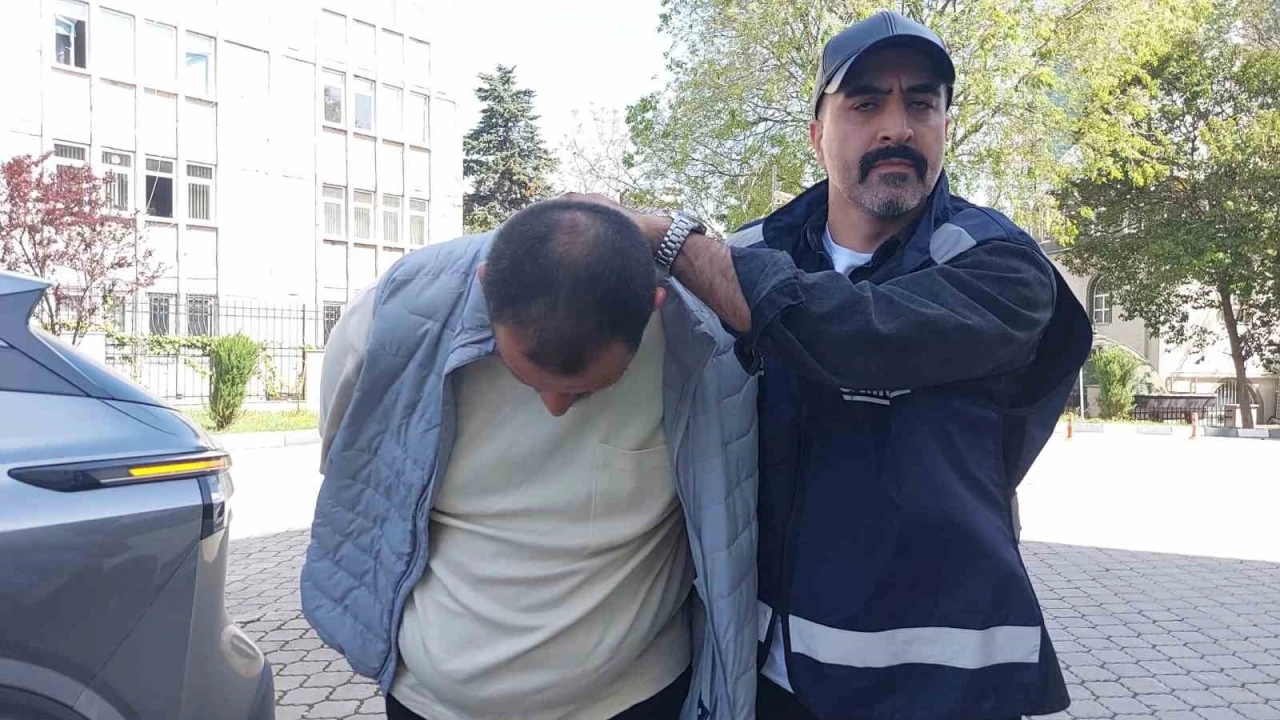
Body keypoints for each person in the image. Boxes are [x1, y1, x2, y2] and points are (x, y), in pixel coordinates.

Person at [571, 10, 1092, 720]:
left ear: (945, 126)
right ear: (817, 134)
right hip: (769, 676)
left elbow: (859, 334)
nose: (897, 128)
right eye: (866, 104)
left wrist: (673, 239)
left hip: (945, 685)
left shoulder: (999, 264)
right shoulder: (751, 254)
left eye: (921, 104)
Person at [300, 200, 759, 720]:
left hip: (632, 702)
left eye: (585, 390)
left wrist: (672, 234)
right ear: (486, 287)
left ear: (652, 306)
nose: (555, 408)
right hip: (425, 704)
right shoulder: (392, 314)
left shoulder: (702, 341)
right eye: (529, 379)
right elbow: (353, 465)